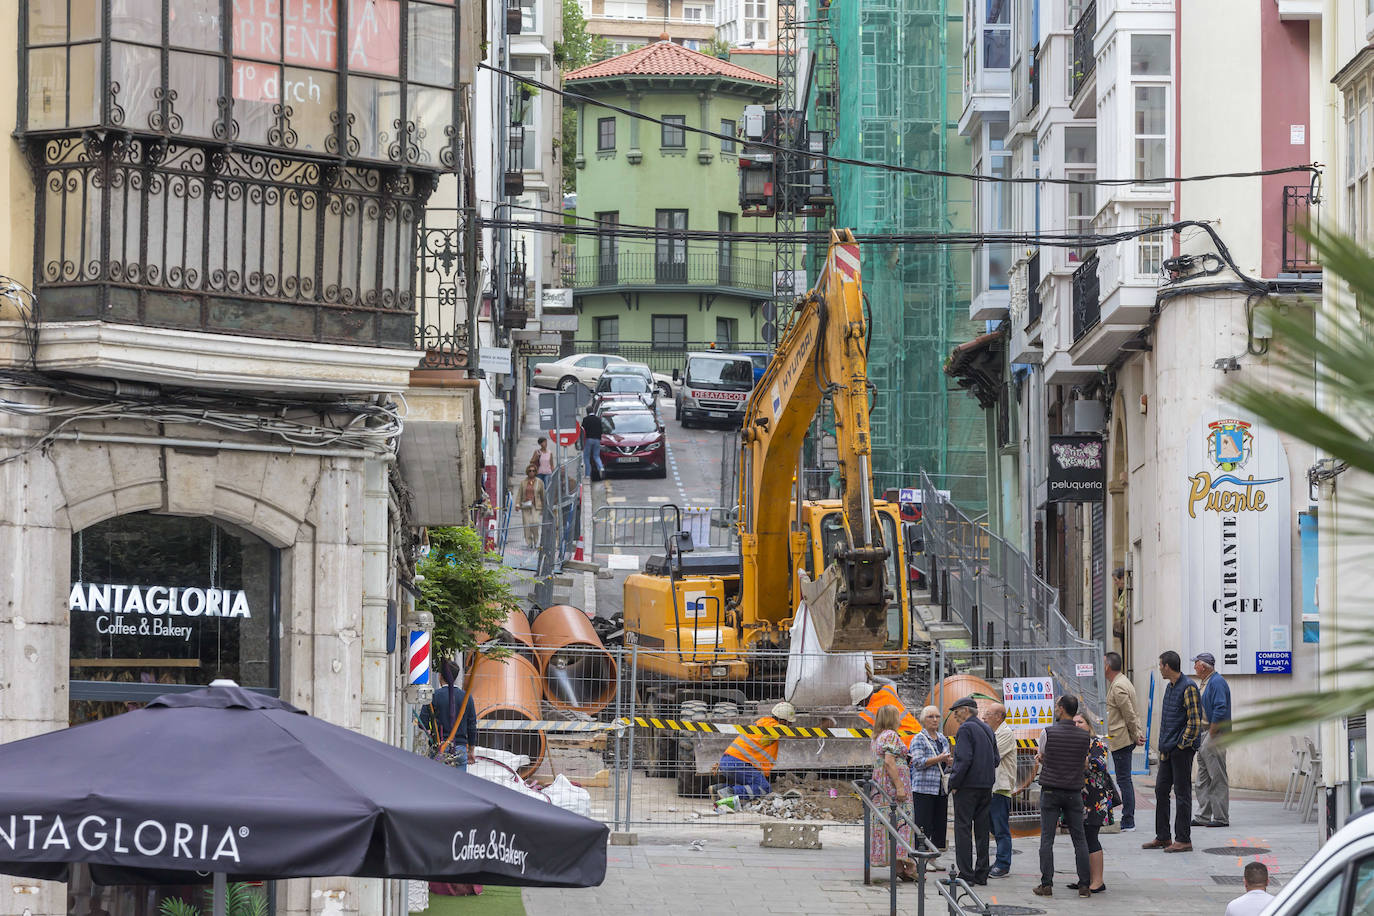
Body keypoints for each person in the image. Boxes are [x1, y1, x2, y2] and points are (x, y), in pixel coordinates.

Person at [1032, 694, 1092, 899]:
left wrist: (1042, 759)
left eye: (1057, 706)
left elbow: (1043, 755)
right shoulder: (1084, 736)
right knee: (1079, 839)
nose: (1056, 709)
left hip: (1051, 790)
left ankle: (1046, 884)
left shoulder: (1048, 732)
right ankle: (1084, 885)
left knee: (1047, 838)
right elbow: (1082, 761)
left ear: (1062, 709)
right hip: (1074, 791)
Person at [1143, 650, 1202, 853]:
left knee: (1182, 793)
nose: (1159, 668)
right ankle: (1163, 836)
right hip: (1167, 749)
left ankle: (1183, 839)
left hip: (1180, 750)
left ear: (1167, 666)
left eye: (1161, 665)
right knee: (1161, 790)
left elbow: (1195, 722)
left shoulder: (1189, 687)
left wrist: (1181, 745)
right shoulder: (1170, 687)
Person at [947, 696, 996, 886]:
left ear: (966, 710)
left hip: (967, 787)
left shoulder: (965, 729)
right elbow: (996, 759)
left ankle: (966, 874)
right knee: (982, 831)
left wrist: (954, 782)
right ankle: (981, 873)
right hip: (986, 786)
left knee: (963, 829)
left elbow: (964, 759)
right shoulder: (987, 728)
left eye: (956, 712)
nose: (954, 716)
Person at [868, 704, 919, 881]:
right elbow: (889, 762)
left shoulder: (877, 737)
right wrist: (900, 787)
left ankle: (898, 866)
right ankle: (909, 865)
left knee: (889, 825)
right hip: (893, 788)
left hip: (881, 787)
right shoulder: (891, 735)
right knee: (903, 823)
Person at [1071, 710, 1117, 894]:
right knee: (1081, 838)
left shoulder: (1097, 743)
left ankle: (1098, 881)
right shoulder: (1072, 743)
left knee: (1091, 837)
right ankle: (1086, 878)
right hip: (1078, 798)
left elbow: (1100, 764)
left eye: (1080, 722)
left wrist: (1082, 760)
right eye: (1073, 722)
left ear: (1088, 725)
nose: (1076, 725)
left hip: (1095, 798)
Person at [716, 702, 798, 800]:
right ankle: (730, 792)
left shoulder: (763, 721)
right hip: (739, 763)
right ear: (783, 721)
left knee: (750, 784)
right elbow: (797, 734)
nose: (791, 724)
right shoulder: (776, 728)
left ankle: (718, 789)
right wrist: (815, 731)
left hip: (728, 761)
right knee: (764, 788)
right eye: (789, 722)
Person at [1104, 651, 1145, 830]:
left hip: (1121, 739)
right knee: (1124, 779)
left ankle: (1128, 820)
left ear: (1107, 666)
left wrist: (1136, 734)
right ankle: (1128, 819)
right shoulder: (1121, 682)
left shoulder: (1119, 686)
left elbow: (1129, 713)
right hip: (1122, 737)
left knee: (1124, 780)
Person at [1192, 651, 1232, 828]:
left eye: (1196, 663)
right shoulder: (1206, 682)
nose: (1194, 667)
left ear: (1203, 666)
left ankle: (1221, 817)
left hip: (1214, 733)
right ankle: (1203, 815)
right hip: (1204, 733)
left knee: (1217, 776)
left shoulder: (1217, 682)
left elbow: (1220, 708)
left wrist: (1213, 734)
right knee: (1202, 777)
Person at [909, 705, 952, 870]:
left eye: (937, 716)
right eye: (931, 717)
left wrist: (949, 762)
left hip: (940, 788)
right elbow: (918, 763)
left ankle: (933, 856)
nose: (935, 720)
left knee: (939, 823)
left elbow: (945, 762)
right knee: (923, 823)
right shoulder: (918, 739)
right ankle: (921, 856)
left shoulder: (942, 739)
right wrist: (939, 758)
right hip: (924, 788)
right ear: (923, 720)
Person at [418, 659, 477, 767]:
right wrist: (471, 749)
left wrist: (431, 731)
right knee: (458, 778)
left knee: (437, 777)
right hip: (460, 748)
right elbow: (472, 726)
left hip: (439, 746)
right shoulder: (466, 698)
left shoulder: (434, 696)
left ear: (440, 676)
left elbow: (422, 722)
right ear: (455, 677)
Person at [981, 703, 1016, 878]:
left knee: (1000, 828)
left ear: (998, 717)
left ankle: (1003, 864)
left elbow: (988, 754)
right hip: (990, 787)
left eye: (987, 714)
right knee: (993, 827)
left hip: (1000, 788)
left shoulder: (1005, 733)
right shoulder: (992, 733)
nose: (983, 717)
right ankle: (999, 861)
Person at [852, 681, 921, 748]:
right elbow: (892, 683)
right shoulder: (887, 691)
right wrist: (873, 678)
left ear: (863, 699)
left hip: (904, 742)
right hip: (917, 731)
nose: (860, 705)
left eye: (859, 703)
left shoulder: (867, 713)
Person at [518, 465, 545, 548]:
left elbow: (543, 495)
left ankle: (536, 540)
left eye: (533, 471)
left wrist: (544, 506)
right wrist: (517, 504)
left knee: (535, 522)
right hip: (525, 505)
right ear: (527, 472)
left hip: (536, 506)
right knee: (526, 524)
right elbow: (519, 494)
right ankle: (529, 542)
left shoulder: (539, 482)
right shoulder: (523, 482)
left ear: (536, 472)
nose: (531, 472)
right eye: (530, 471)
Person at [580, 409, 604, 480]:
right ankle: (601, 467)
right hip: (597, 440)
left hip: (588, 440)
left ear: (587, 412)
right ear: (593, 411)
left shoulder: (585, 419)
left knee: (586, 457)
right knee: (596, 456)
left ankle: (588, 474)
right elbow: (601, 430)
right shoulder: (598, 419)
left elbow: (582, 431)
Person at [1112, 567, 1128, 654]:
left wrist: (1118, 606)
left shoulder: (1126, 592)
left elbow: (1126, 609)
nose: (1115, 583)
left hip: (1126, 626)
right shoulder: (1123, 592)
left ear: (1122, 578)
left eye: (1116, 580)